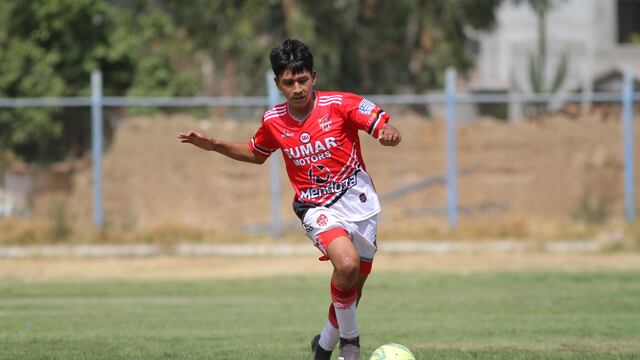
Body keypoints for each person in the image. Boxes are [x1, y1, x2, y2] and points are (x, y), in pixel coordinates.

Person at [178, 39, 401, 360]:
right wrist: (214, 145)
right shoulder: (274, 120)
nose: (297, 88)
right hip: (315, 207)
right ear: (277, 83)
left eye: (302, 80)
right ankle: (350, 346)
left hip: (360, 204)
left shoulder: (340, 104)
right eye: (288, 82)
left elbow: (382, 125)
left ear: (314, 76)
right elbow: (256, 153)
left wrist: (388, 133)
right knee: (347, 263)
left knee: (353, 286)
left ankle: (323, 347)